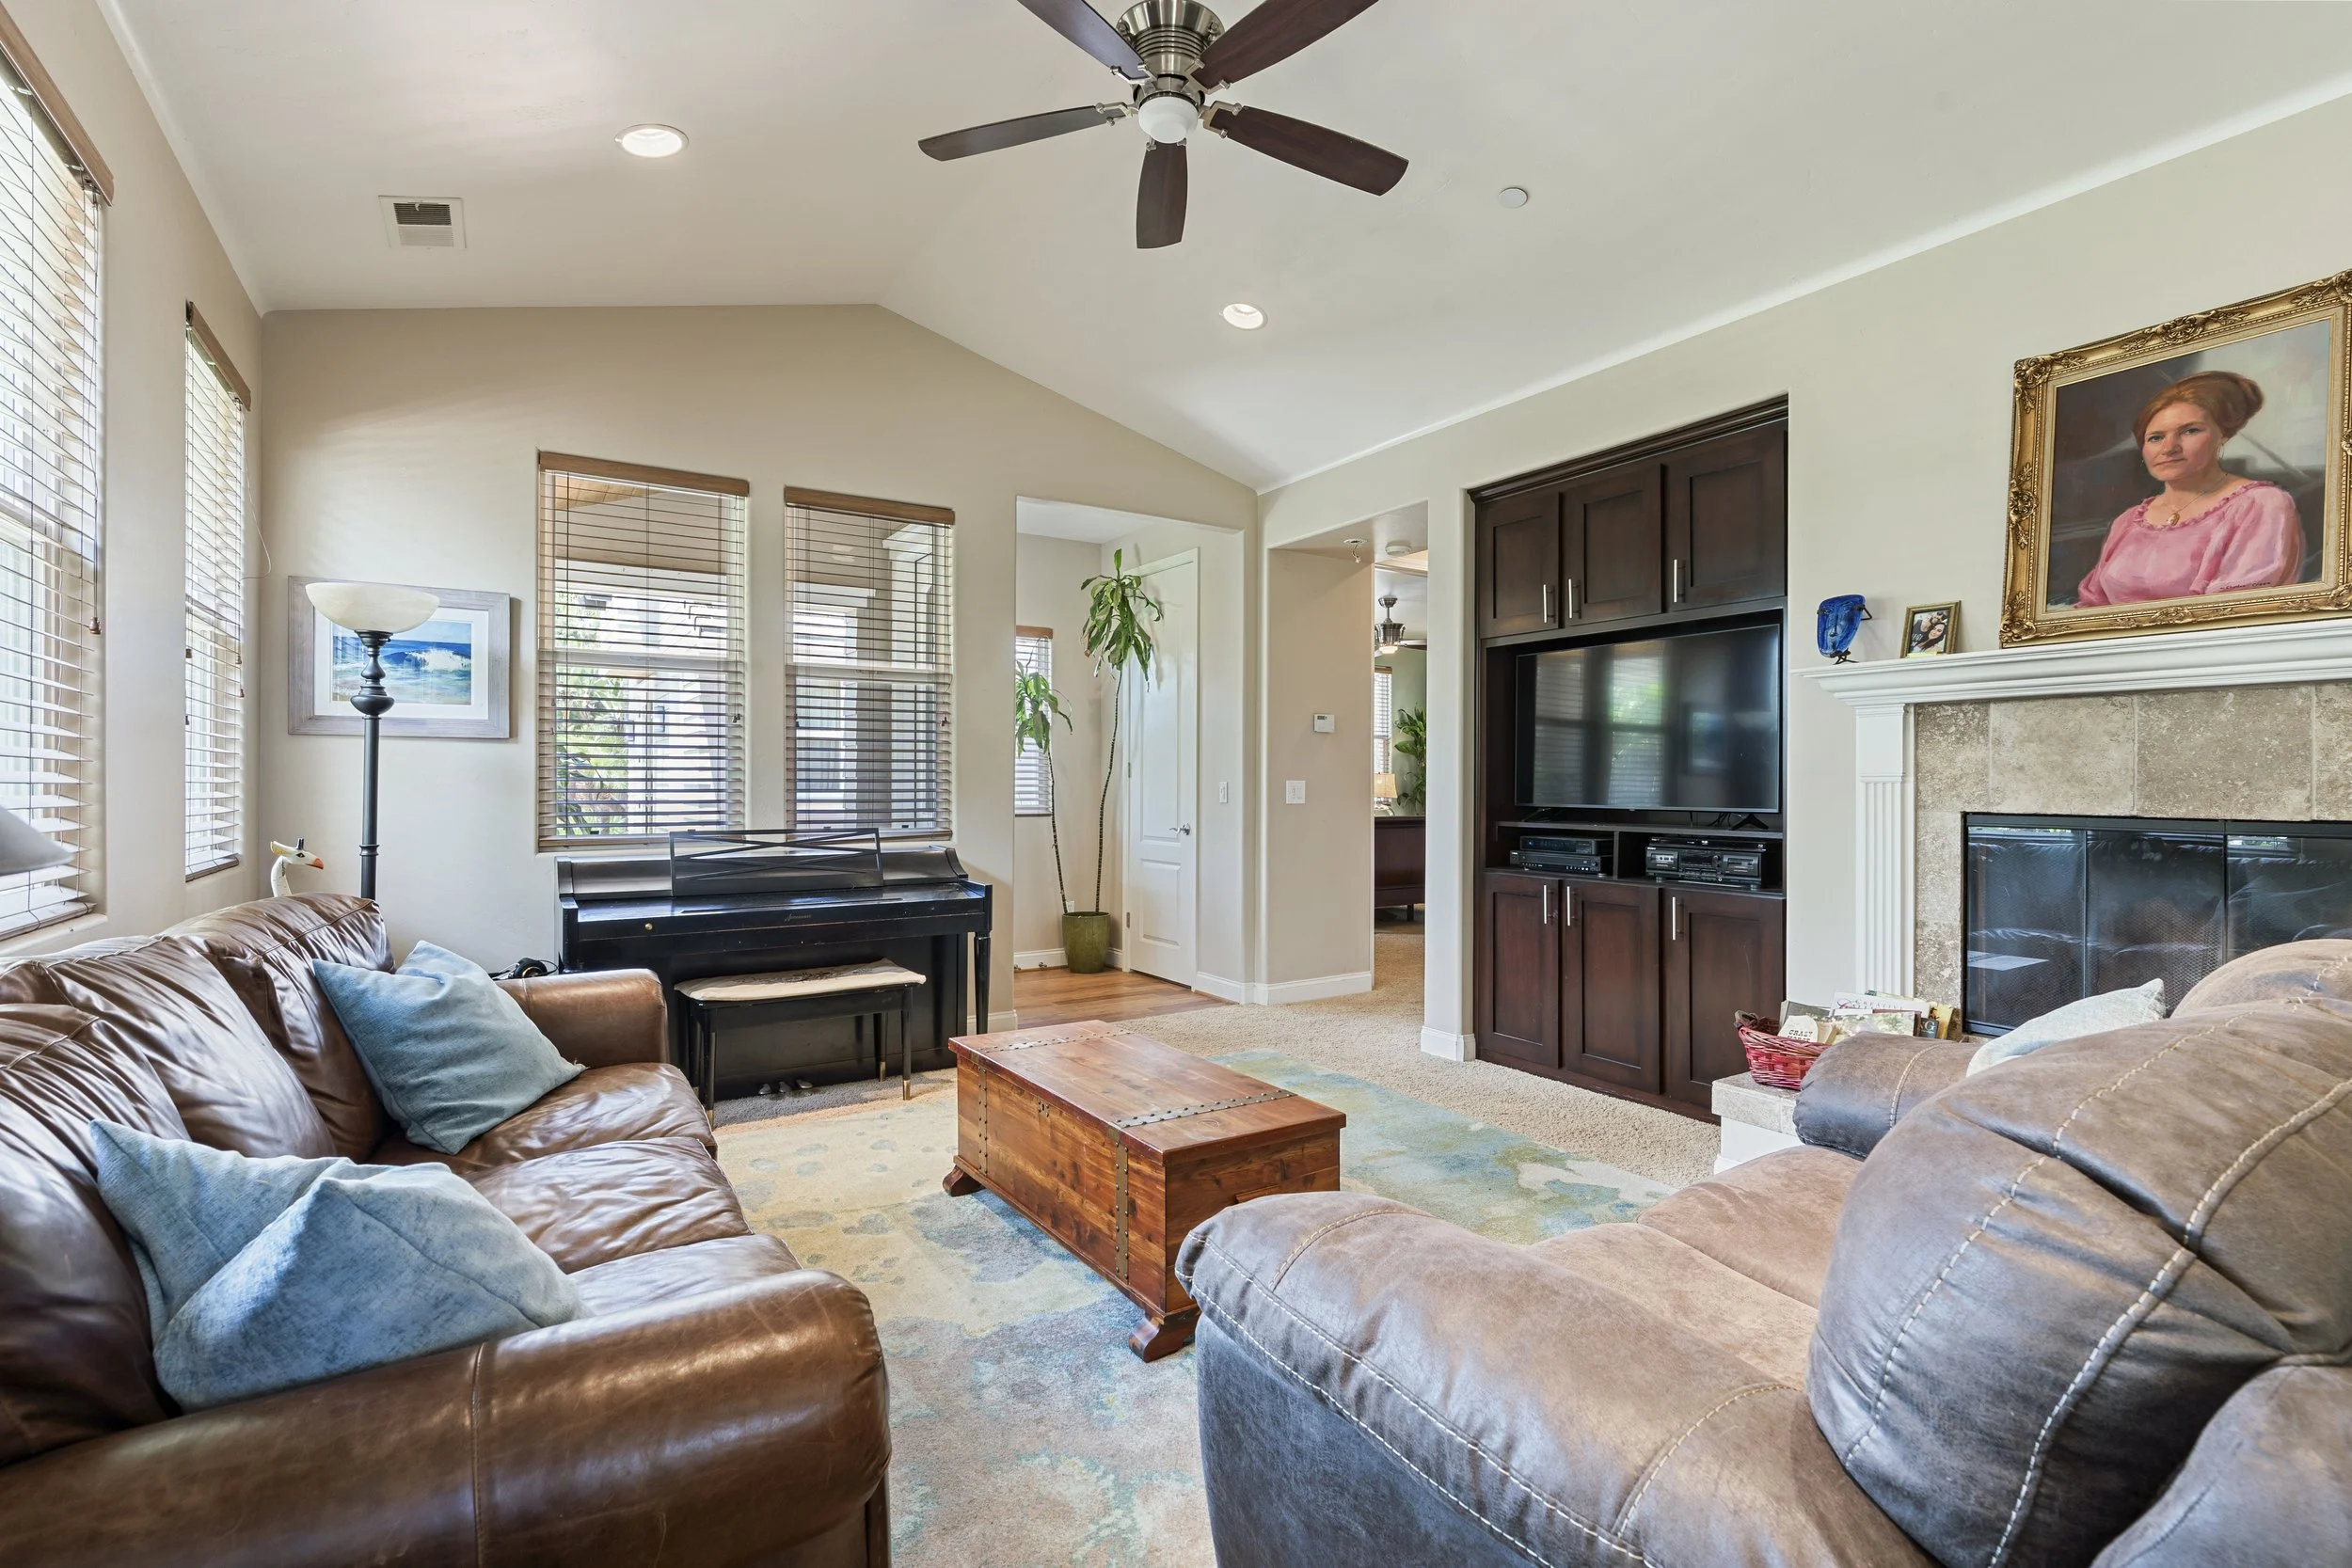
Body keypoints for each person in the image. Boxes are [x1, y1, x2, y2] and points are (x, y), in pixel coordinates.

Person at [2073, 370, 2304, 607]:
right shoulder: (2127, 521)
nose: (2169, 447)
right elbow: (2093, 603)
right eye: (2155, 437)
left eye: (2190, 431)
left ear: (2222, 435)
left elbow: (2237, 605)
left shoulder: (2261, 504)